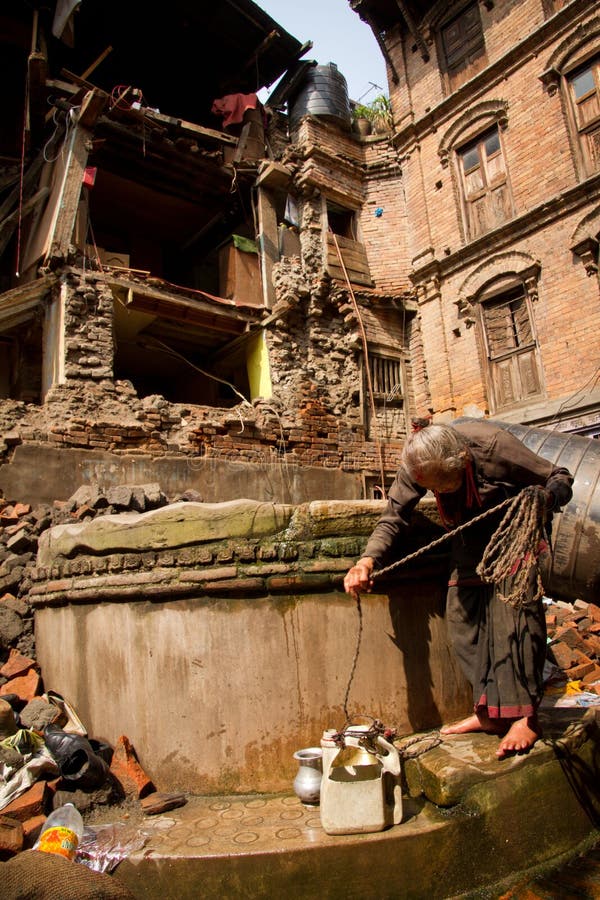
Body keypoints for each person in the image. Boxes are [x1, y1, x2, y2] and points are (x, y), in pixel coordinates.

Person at [343, 418, 574, 759]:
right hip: (466, 536)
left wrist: (546, 496)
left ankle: (526, 717)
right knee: (463, 624)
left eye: (444, 487)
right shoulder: (417, 462)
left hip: (513, 533)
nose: (438, 493)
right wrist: (367, 561)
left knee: (516, 624)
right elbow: (394, 516)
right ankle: (488, 714)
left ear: (463, 459)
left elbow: (561, 477)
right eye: (432, 488)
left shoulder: (493, 446)